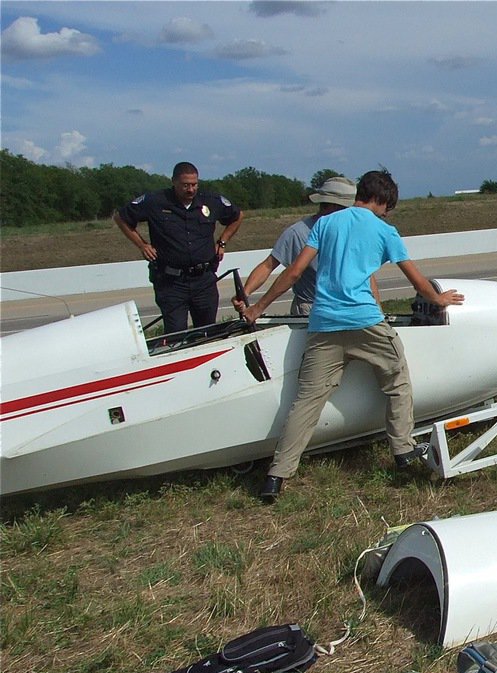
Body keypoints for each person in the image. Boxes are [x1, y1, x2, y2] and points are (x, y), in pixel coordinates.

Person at [242, 170, 464, 503]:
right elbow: (416, 281)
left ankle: (276, 476)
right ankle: (403, 449)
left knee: (306, 403)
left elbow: (294, 272)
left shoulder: (324, 225)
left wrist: (258, 307)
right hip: (364, 321)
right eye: (388, 208)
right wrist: (438, 299)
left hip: (323, 323)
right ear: (383, 201)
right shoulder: (385, 230)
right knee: (398, 380)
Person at [114, 161, 243, 334]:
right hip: (171, 283)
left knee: (208, 333)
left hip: (203, 280)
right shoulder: (155, 201)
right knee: (176, 333)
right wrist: (142, 245)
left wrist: (222, 241)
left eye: (194, 185)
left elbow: (237, 216)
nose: (190, 190)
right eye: (185, 185)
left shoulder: (210, 201)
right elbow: (121, 218)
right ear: (174, 181)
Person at [233, 176, 357, 317]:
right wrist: (245, 292)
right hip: (311, 309)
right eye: (347, 208)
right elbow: (268, 266)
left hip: (348, 306)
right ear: (333, 206)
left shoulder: (353, 230)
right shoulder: (298, 233)